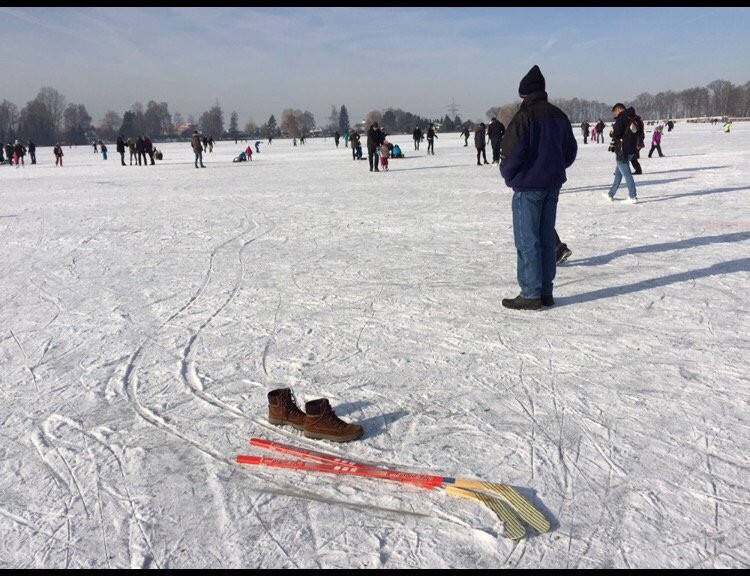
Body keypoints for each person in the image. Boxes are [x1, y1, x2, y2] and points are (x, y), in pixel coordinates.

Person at [499, 64, 577, 311]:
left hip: (529, 187)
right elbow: (570, 151)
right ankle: (545, 291)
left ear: (524, 95)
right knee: (545, 238)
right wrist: (554, 168)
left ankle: (531, 293)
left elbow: (510, 154)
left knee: (527, 239)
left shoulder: (525, 117)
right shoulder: (558, 115)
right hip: (552, 185)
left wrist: (511, 176)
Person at [603, 103, 638, 204]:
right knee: (618, 174)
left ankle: (633, 196)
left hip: (622, 150)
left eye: (615, 112)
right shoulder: (632, 117)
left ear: (619, 109)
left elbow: (616, 134)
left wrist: (611, 133)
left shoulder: (621, 118)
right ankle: (610, 194)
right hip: (631, 149)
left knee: (627, 175)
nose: (615, 114)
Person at [626, 107, 645, 175]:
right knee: (631, 157)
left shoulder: (635, 120)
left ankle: (638, 170)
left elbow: (637, 132)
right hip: (636, 140)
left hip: (636, 141)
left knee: (632, 157)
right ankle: (637, 170)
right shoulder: (636, 119)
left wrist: (638, 142)